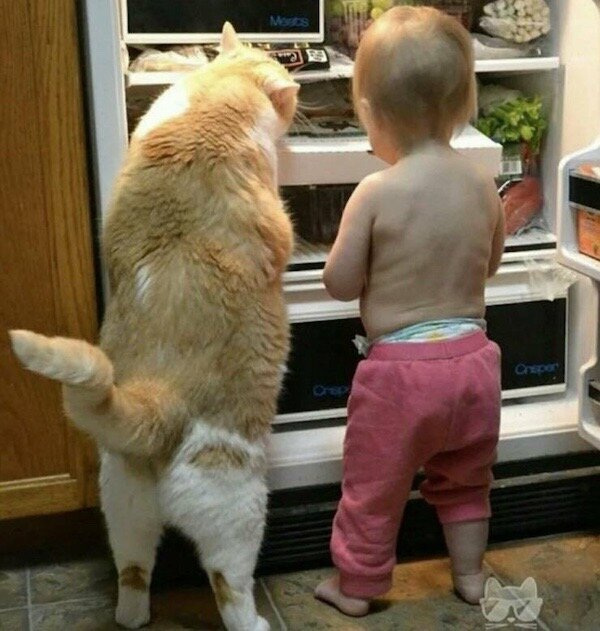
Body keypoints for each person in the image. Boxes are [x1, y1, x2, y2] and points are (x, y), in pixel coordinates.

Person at [314, 6, 505, 617]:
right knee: (466, 479)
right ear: (464, 103)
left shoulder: (375, 192)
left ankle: (358, 587)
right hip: (474, 367)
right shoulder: (481, 183)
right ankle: (470, 575)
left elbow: (340, 283)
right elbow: (490, 264)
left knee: (373, 486)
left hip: (400, 378)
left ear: (371, 113)